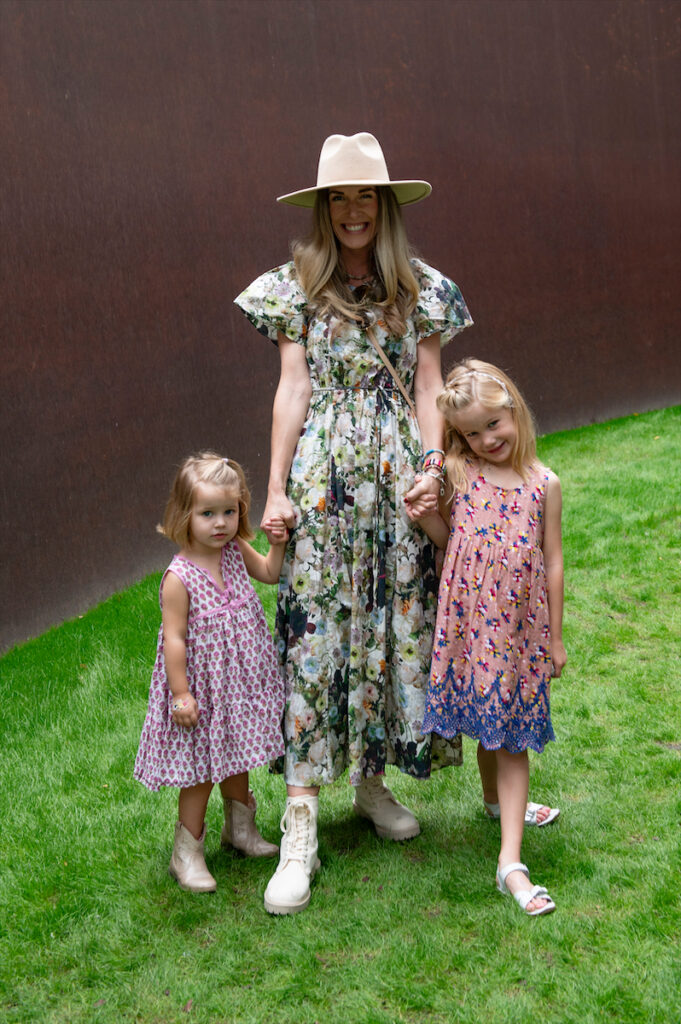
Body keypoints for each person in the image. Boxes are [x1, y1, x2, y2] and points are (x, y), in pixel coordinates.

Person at [234, 131, 473, 915]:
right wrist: (274, 488)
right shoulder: (293, 286)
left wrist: (431, 471)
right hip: (323, 481)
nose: (351, 211)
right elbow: (291, 391)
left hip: (399, 478)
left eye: (364, 196)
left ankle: (370, 787)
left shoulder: (424, 288)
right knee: (315, 637)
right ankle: (299, 821)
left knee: (390, 624)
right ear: (322, 208)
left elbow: (430, 383)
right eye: (337, 197)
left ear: (385, 205)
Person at [412, 359, 566, 915]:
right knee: (488, 722)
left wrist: (556, 637)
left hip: (520, 629)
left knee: (509, 735)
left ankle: (510, 863)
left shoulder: (543, 484)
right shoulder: (460, 471)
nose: (485, 439)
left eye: (493, 425)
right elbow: (448, 539)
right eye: (472, 432)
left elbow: (552, 562)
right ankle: (494, 802)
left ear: (514, 412)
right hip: (471, 627)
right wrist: (424, 513)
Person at [134, 452, 288, 892]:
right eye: (207, 513)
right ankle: (187, 853)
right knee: (200, 772)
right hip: (201, 690)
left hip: (236, 683)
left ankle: (240, 830)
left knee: (238, 757)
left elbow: (271, 573)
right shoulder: (178, 577)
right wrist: (180, 694)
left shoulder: (235, 551)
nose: (220, 523)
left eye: (229, 511)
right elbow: (175, 640)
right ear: (184, 514)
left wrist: (276, 541)